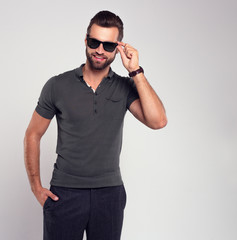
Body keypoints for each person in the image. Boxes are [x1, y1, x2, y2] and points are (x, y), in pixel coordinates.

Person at [24, 10, 167, 240]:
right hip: (65, 193)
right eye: (94, 42)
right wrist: (36, 187)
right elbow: (33, 134)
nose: (100, 50)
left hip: (109, 195)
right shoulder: (57, 85)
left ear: (118, 48)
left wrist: (135, 71)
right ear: (86, 41)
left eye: (108, 45)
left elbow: (158, 121)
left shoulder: (124, 87)